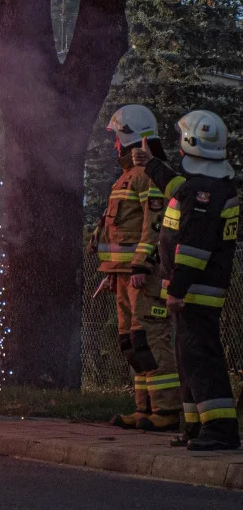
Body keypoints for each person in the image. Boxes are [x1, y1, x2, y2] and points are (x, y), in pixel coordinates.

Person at [134, 110, 240, 451]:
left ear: (189, 144)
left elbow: (194, 248)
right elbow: (179, 188)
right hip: (195, 291)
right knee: (190, 360)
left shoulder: (205, 193)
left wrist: (178, 289)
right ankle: (197, 428)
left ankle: (221, 431)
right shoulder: (207, 186)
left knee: (202, 359)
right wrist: (151, 164)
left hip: (196, 292)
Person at [89, 105, 180, 431]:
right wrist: (113, 272)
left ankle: (167, 412)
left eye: (117, 136)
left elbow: (155, 227)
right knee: (133, 343)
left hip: (145, 275)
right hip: (125, 276)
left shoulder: (148, 176)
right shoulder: (125, 179)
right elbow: (117, 232)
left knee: (151, 340)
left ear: (129, 137)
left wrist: (142, 264)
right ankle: (145, 410)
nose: (114, 143)